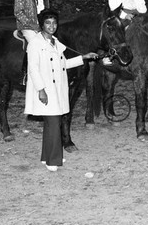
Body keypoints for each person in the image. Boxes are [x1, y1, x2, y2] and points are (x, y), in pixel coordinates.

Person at [25, 9, 98, 171]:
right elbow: (33, 69)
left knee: (51, 125)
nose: (51, 26)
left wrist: (83, 57)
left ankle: (46, 157)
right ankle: (53, 161)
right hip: (46, 89)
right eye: (48, 23)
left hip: (58, 89)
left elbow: (63, 64)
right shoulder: (35, 43)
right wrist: (41, 90)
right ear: (42, 25)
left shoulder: (56, 43)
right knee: (54, 123)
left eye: (54, 23)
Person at [14, 0, 50, 84]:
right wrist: (32, 25)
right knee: (36, 44)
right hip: (27, 26)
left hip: (43, 25)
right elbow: (18, 12)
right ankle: (26, 74)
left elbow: (47, 10)